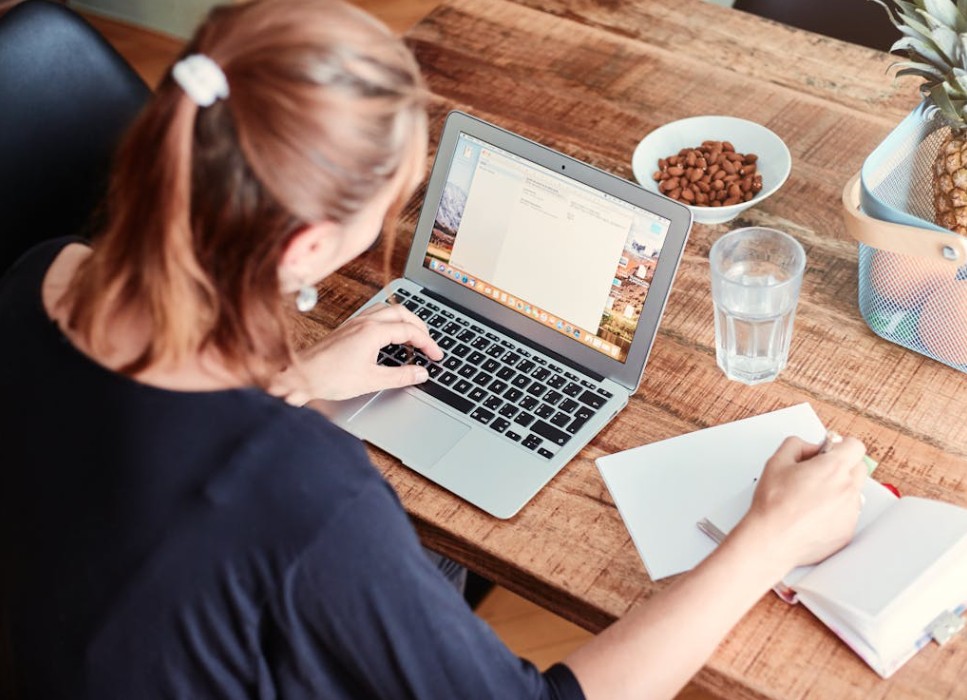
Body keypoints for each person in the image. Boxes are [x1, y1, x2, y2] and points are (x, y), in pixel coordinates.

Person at [0, 0, 869, 698]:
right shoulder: (312, 495)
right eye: (391, 207)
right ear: (307, 248)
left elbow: (148, 454)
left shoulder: (42, 275)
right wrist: (766, 538)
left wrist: (294, 379)